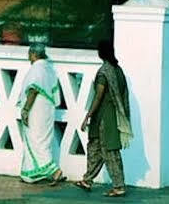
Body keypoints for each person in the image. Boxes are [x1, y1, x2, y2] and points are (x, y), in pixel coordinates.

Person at [74, 40, 132, 198]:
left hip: (105, 119)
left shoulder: (104, 72)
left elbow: (98, 97)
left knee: (110, 151)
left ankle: (119, 186)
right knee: (96, 149)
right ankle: (87, 180)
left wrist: (87, 116)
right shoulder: (118, 70)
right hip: (111, 116)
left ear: (101, 53)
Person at [18, 43, 65, 185]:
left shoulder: (37, 69)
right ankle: (32, 174)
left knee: (36, 141)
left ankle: (54, 171)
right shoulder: (49, 69)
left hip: (36, 110)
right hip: (47, 110)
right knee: (42, 140)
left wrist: (26, 109)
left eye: (29, 54)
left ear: (33, 54)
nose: (28, 57)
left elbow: (33, 90)